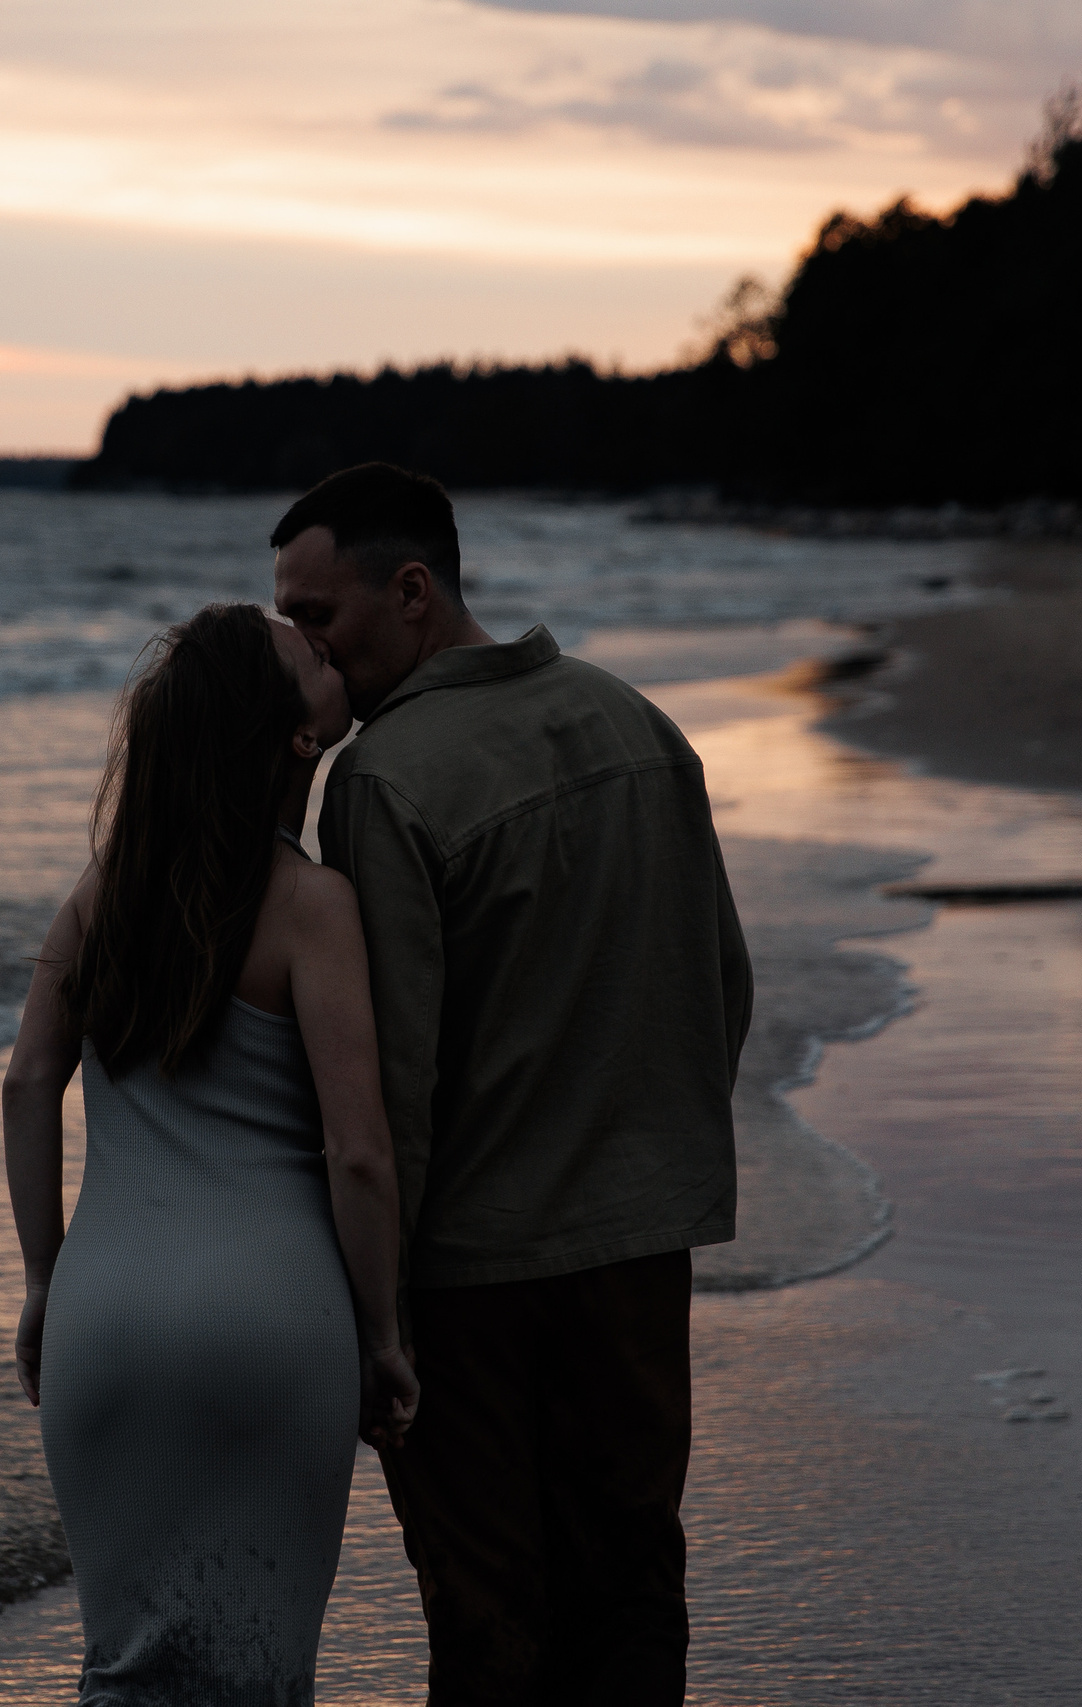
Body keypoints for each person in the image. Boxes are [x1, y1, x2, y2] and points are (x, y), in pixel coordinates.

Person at [271, 464, 753, 1705]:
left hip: (478, 1277)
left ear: (413, 590)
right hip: (645, 1245)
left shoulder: (385, 780)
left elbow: (395, 1083)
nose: (300, 644)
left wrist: (377, 1316)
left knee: (489, 1616)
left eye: (318, 614)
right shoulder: (637, 721)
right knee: (635, 1586)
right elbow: (725, 987)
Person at [3, 602, 423, 1707]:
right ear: (294, 736)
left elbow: (26, 1080)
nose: (324, 648)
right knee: (260, 1673)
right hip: (271, 1325)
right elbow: (359, 1153)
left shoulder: (102, 894)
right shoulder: (313, 909)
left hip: (102, 1318)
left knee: (125, 1674)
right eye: (306, 657)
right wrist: (382, 1337)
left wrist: (46, 1278)